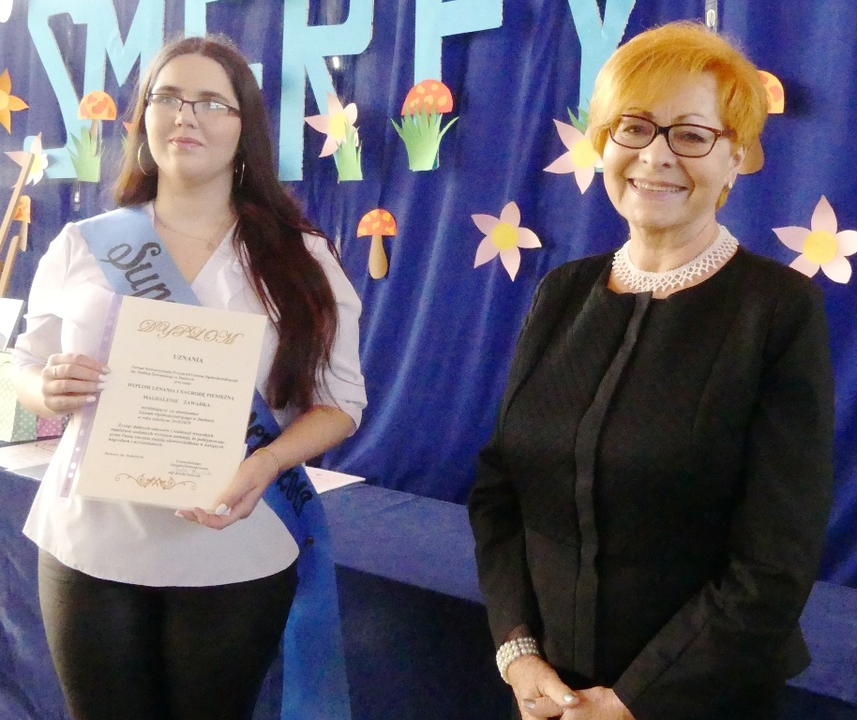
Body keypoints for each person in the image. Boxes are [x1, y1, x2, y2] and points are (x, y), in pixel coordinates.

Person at [468, 21, 834, 720]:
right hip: (549, 695)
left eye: (691, 135)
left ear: (735, 158)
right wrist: (518, 651)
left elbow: (774, 561)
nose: (655, 155)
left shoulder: (778, 309)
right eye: (634, 127)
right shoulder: (560, 292)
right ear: (604, 142)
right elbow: (499, 493)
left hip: (701, 698)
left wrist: (632, 700)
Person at [13, 34, 366, 720]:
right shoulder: (85, 244)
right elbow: (25, 366)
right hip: (88, 540)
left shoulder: (300, 259)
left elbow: (341, 403)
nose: (186, 116)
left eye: (212, 102)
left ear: (245, 127)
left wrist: (266, 463)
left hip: (236, 546)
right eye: (168, 98)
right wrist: (44, 390)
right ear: (143, 118)